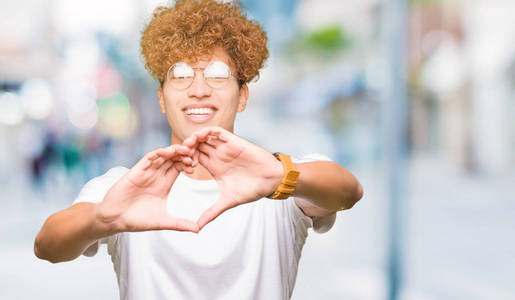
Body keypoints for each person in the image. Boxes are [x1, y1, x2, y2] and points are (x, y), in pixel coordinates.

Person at [34, 0, 363, 299]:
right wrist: (103, 218)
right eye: (180, 75)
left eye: (218, 75)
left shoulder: (275, 177)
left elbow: (348, 191)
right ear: (162, 99)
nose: (199, 90)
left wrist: (280, 175)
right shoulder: (126, 187)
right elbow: (47, 246)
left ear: (243, 95)